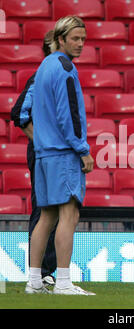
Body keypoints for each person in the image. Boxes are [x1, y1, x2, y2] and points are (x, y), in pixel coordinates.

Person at [25, 16, 94, 295]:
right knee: (69, 215)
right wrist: (82, 149)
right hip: (62, 153)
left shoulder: (44, 65)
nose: (80, 44)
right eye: (75, 38)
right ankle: (63, 282)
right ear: (61, 38)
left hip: (43, 153)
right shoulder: (65, 67)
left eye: (83, 39)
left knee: (46, 217)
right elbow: (70, 115)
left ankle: (33, 282)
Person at [11, 30, 57, 288]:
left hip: (58, 154)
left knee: (57, 210)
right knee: (44, 209)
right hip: (44, 154)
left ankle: (48, 271)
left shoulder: (60, 77)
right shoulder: (40, 77)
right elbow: (18, 113)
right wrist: (41, 143)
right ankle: (38, 272)